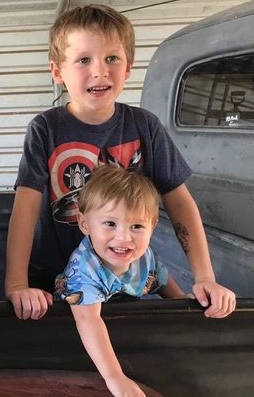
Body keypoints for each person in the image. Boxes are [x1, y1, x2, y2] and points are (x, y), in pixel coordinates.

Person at [5, 4, 236, 321]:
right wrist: (17, 284)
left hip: (126, 284)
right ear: (57, 72)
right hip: (51, 288)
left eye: (112, 58)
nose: (100, 71)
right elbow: (26, 208)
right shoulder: (45, 129)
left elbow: (180, 201)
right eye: (84, 60)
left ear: (128, 67)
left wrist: (205, 277)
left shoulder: (145, 126)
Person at [54, 165, 185, 396]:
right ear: (85, 224)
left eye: (137, 226)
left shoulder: (145, 258)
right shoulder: (84, 269)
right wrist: (114, 377)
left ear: (152, 227)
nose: (124, 237)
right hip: (73, 339)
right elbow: (87, 320)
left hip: (122, 335)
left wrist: (183, 301)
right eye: (110, 224)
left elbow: (161, 280)